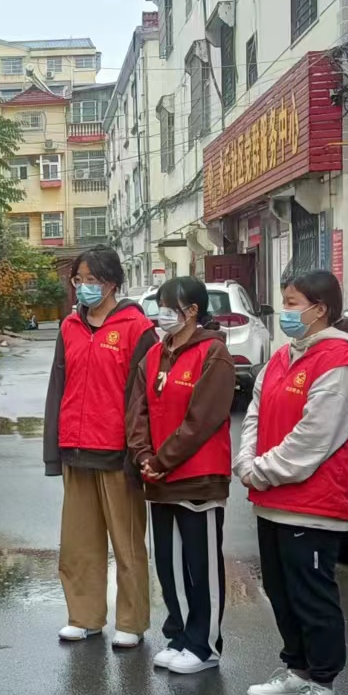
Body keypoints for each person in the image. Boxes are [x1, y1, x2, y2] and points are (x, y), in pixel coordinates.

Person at [233, 269, 348, 695]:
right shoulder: (283, 355)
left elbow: (316, 435)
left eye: (292, 303)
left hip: (313, 502)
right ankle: (297, 669)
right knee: (280, 590)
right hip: (271, 498)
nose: (284, 311)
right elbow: (255, 412)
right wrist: (247, 460)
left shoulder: (339, 358)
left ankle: (323, 684)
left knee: (311, 594)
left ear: (319, 308)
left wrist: (261, 470)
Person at [42, 246, 158, 647]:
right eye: (79, 280)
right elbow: (58, 387)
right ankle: (84, 616)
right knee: (78, 543)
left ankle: (131, 622)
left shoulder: (136, 327)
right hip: (76, 450)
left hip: (117, 453)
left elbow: (145, 397)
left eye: (92, 280)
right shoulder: (69, 327)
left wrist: (139, 451)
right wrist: (54, 450)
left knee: (127, 544)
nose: (84, 287)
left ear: (111, 282)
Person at [127, 275, 235, 674]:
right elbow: (137, 410)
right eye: (159, 307)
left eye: (169, 308)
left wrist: (163, 460)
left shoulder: (213, 353)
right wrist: (143, 455)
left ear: (192, 311)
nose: (162, 315)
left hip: (198, 477)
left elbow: (202, 419)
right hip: (158, 478)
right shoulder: (155, 354)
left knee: (199, 565)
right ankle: (179, 636)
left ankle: (204, 645)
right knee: (169, 564)